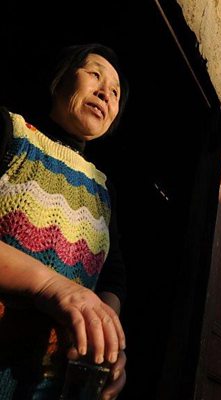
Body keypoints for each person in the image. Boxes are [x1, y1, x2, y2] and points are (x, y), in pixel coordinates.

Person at [0, 43, 129, 399]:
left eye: (115, 93)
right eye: (94, 74)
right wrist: (50, 285)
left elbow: (113, 277)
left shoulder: (103, 189)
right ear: (60, 79)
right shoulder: (11, 133)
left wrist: (106, 337)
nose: (105, 93)